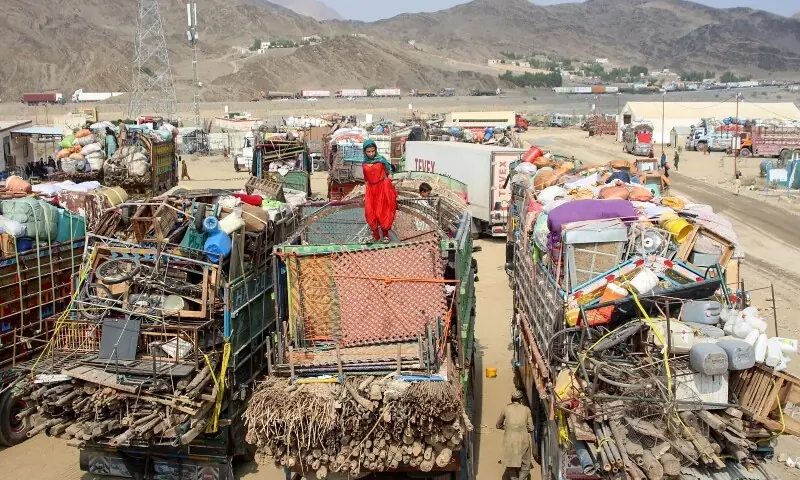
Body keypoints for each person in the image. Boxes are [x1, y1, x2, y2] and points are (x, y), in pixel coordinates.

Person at [362, 139, 397, 242]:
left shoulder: (381, 160)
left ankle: (385, 235)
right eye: (368, 152)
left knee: (382, 212)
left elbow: (389, 170)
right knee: (370, 213)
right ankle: (376, 237)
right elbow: (366, 179)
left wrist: (390, 175)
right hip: (371, 190)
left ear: (375, 150)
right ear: (365, 152)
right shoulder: (364, 163)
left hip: (382, 188)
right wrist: (366, 193)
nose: (371, 154)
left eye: (373, 151)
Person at [496, 390, 533, 480]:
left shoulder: (505, 409)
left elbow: (498, 425)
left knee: (511, 464)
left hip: (510, 441)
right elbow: (531, 428)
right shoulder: (526, 409)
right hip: (523, 441)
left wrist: (509, 428)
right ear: (521, 400)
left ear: (511, 399)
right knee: (526, 465)